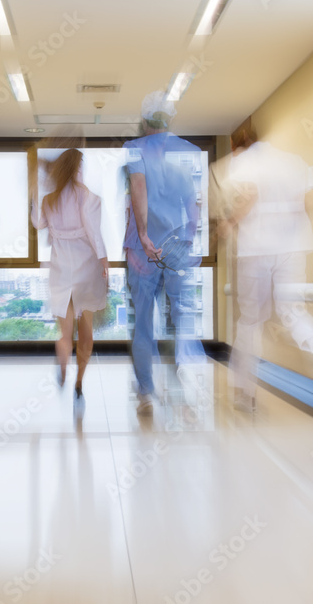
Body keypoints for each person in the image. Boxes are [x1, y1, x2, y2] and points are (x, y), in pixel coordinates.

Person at [218, 127, 313, 412]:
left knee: (250, 321)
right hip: (293, 247)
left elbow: (249, 194)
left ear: (238, 147)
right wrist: (289, 219)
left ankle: (244, 393)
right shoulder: (292, 160)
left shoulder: (244, 161)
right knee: (292, 309)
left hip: (256, 248)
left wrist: (229, 223)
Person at [123, 90, 205, 415]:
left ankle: (145, 393)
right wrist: (187, 241)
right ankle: (175, 386)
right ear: (168, 122)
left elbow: (138, 187)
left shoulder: (134, 150)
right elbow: (193, 209)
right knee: (174, 321)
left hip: (144, 253)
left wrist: (142, 235)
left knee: (143, 324)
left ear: (144, 123)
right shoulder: (181, 166)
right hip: (174, 253)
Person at [32, 147, 109, 411]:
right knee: (86, 333)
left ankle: (63, 359)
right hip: (86, 268)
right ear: (77, 168)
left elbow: (38, 224)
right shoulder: (87, 197)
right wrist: (104, 261)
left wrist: (35, 192)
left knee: (65, 332)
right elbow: (93, 232)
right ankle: (79, 383)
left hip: (61, 269)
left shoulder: (49, 200)